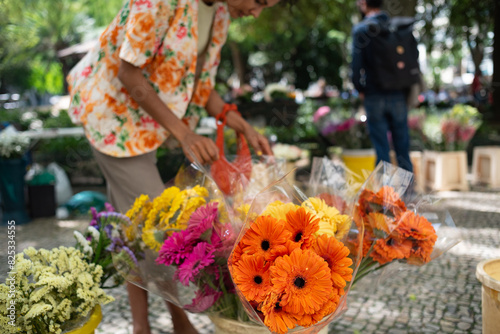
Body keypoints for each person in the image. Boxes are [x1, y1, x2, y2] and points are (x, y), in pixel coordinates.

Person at [66, 1, 292, 333]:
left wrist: (242, 125)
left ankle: (142, 327)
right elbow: (128, 71)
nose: (256, 13)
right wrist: (184, 133)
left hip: (144, 129)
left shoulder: (219, 14)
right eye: (259, 2)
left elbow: (201, 89)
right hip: (110, 119)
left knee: (133, 229)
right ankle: (180, 322)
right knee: (162, 230)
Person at [351, 0, 413, 172]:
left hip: (373, 94)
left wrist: (361, 89)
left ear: (364, 3)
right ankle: (408, 195)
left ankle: (384, 196)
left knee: (382, 151)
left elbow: (356, 68)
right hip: (398, 94)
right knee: (402, 149)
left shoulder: (361, 30)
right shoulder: (398, 27)